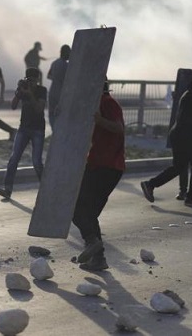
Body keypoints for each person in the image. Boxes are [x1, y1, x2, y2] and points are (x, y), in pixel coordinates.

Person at [140, 72, 192, 207]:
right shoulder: (190, 97)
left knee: (179, 167)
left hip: (182, 135)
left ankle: (151, 184)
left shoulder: (190, 95)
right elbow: (188, 119)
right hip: (184, 136)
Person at [72, 80, 125, 271]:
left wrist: (99, 120)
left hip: (106, 166)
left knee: (79, 210)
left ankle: (92, 242)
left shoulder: (107, 102)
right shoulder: (97, 104)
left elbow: (118, 128)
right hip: (100, 164)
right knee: (89, 213)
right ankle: (99, 258)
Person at [0, 67, 47, 199]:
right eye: (28, 80)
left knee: (36, 162)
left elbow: (38, 109)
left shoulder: (42, 90)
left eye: (33, 80)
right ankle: (7, 189)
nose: (31, 83)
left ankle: (46, 189)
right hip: (24, 128)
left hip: (37, 130)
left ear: (37, 80)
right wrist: (19, 92)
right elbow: (13, 106)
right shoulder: (23, 89)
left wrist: (30, 94)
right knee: (14, 159)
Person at [47, 44, 70, 130]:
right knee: (61, 113)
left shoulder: (54, 63)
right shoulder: (67, 65)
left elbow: (48, 76)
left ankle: (54, 131)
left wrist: (55, 78)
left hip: (52, 91)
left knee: (52, 113)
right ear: (66, 53)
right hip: (61, 93)